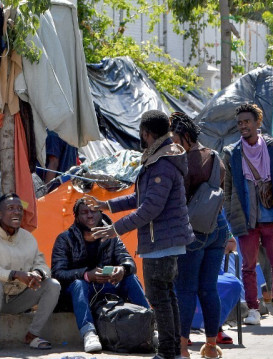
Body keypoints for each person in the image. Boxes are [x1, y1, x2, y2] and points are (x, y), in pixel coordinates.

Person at [87, 110, 195, 359]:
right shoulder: (160, 157)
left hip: (162, 242)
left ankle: (168, 351)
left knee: (160, 297)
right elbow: (140, 198)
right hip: (164, 241)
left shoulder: (163, 163)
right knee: (166, 296)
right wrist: (107, 206)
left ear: (146, 133)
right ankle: (173, 351)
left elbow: (150, 209)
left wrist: (115, 229)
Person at [222, 103, 273, 326]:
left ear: (258, 123)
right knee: (248, 266)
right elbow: (227, 189)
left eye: (247, 121)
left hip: (272, 217)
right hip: (246, 219)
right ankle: (253, 309)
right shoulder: (232, 153)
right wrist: (231, 216)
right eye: (240, 123)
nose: (243, 126)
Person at [51, 198, 150, 353]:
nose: (90, 216)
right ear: (76, 217)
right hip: (79, 293)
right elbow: (57, 273)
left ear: (100, 213)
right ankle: (89, 333)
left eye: (93, 211)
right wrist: (86, 275)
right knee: (79, 284)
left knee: (131, 278)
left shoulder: (112, 236)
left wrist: (122, 269)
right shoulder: (65, 239)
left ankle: (151, 326)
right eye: (84, 212)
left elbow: (129, 262)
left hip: (107, 287)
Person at [169, 112, 228, 359]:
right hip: (219, 227)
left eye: (173, 138)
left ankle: (183, 348)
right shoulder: (215, 157)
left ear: (184, 136)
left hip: (194, 230)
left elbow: (176, 198)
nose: (171, 144)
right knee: (208, 289)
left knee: (185, 290)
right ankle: (212, 348)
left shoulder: (184, 161)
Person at [0, 193, 61, 350]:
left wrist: (38, 274)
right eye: (11, 208)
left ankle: (33, 335)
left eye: (20, 209)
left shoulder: (28, 238)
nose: (17, 212)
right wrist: (14, 274)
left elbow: (41, 263)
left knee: (52, 285)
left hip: (18, 300)